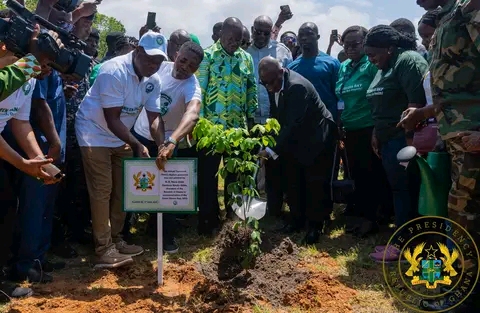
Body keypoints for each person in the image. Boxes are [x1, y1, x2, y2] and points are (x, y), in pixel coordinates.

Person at [75, 30, 167, 268]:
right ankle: (104, 248)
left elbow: (154, 118)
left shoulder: (153, 80)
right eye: (149, 59)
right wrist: (137, 143)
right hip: (94, 132)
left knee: (125, 189)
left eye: (159, 61)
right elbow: (112, 118)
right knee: (102, 190)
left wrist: (162, 143)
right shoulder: (113, 71)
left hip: (120, 136)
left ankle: (116, 239)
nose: (153, 65)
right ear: (137, 51)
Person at [363, 25, 428, 263]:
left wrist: (411, 143)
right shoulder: (384, 67)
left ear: (389, 48)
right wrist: (376, 132)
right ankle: (401, 241)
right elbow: (379, 105)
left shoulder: (407, 61)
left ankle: (406, 247)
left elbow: (417, 103)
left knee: (408, 191)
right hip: (388, 139)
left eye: (373, 54)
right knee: (399, 191)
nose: (370, 60)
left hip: (405, 141)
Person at [133, 41, 203, 253]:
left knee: (168, 191)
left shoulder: (192, 85)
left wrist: (172, 141)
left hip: (169, 143)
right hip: (142, 134)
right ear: (176, 54)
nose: (185, 68)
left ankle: (165, 236)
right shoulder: (159, 68)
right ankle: (129, 232)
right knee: (137, 185)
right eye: (183, 61)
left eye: (192, 66)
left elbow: (192, 114)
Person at [257, 56, 337, 244]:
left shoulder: (296, 87)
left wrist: (271, 150)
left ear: (281, 71)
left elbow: (293, 124)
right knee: (293, 179)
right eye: (265, 83)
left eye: (271, 82)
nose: (269, 87)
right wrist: (267, 141)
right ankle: (297, 220)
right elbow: (276, 117)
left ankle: (315, 226)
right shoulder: (273, 83)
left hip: (317, 136)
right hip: (296, 136)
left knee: (314, 182)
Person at [196, 17, 257, 236]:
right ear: (221, 34)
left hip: (237, 129)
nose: (234, 44)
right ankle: (208, 221)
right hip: (211, 129)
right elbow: (199, 93)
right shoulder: (207, 56)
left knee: (235, 175)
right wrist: (199, 126)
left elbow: (251, 90)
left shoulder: (246, 58)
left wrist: (252, 121)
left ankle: (233, 220)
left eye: (238, 40)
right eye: (230, 39)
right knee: (208, 176)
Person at [335, 26, 383, 236]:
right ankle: (361, 215)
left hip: (368, 128)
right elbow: (340, 97)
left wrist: (377, 128)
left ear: (365, 44)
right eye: (346, 44)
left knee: (370, 175)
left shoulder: (370, 65)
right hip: (349, 129)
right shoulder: (344, 66)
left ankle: (372, 220)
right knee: (355, 175)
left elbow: (379, 94)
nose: (351, 48)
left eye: (356, 44)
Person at [247, 15, 292, 125]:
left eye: (266, 33)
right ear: (252, 30)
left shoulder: (282, 52)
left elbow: (289, 83)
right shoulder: (244, 51)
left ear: (271, 32)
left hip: (275, 117)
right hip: (249, 118)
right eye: (258, 32)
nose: (262, 36)